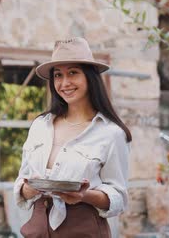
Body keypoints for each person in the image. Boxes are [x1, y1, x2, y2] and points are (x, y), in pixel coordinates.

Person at [15, 37, 131, 238]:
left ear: (89, 77)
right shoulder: (40, 126)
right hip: (36, 230)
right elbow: (22, 182)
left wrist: (83, 196)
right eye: (58, 75)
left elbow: (118, 197)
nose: (64, 83)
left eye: (73, 73)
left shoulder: (111, 133)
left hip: (84, 231)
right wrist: (29, 189)